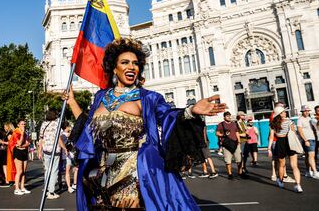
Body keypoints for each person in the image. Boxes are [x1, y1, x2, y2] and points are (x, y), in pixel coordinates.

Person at [63, 38, 226, 210]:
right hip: (101, 174)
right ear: (114, 68)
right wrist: (72, 102)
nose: (131, 67)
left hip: (135, 172)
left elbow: (169, 116)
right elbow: (88, 127)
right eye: (125, 62)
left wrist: (190, 110)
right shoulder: (100, 97)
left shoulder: (149, 97)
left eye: (135, 63)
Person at [268, 106, 302, 192]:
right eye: (283, 112)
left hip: (280, 143)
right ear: (280, 114)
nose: (285, 113)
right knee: (294, 165)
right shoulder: (290, 122)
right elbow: (293, 133)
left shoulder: (272, 124)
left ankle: (281, 181)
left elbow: (271, 137)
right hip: (289, 142)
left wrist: (269, 148)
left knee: (281, 165)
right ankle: (298, 185)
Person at [38, 109, 68, 199]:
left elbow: (41, 139)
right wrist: (65, 148)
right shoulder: (56, 124)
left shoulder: (44, 124)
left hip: (46, 150)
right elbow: (58, 138)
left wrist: (39, 151)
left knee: (47, 170)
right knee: (54, 171)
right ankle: (51, 192)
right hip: (55, 151)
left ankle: (47, 189)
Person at [269, 102, 295, 183]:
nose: (284, 111)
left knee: (279, 161)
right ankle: (280, 176)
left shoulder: (281, 119)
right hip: (277, 141)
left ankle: (279, 176)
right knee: (278, 160)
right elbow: (272, 133)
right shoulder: (274, 117)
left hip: (279, 140)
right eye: (282, 107)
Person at [297, 105, 319, 179]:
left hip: (313, 139)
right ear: (302, 111)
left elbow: (314, 129)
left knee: (307, 156)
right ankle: (315, 172)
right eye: (305, 111)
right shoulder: (300, 119)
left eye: (308, 111)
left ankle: (307, 171)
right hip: (307, 139)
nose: (307, 112)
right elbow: (299, 130)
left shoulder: (310, 119)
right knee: (311, 155)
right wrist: (305, 140)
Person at [11, 119, 31, 195]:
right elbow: (18, 143)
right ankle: (16, 188)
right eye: (22, 124)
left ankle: (22, 187)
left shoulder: (26, 133)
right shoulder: (16, 132)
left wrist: (22, 146)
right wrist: (22, 134)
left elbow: (28, 143)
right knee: (19, 171)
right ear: (18, 125)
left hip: (24, 152)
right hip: (18, 152)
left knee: (23, 171)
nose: (24, 125)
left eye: (24, 124)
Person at [61, 121, 78, 193]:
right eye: (69, 126)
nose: (70, 127)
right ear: (66, 127)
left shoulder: (69, 135)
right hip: (67, 155)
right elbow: (63, 144)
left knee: (76, 169)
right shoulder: (62, 136)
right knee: (67, 171)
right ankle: (69, 187)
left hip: (72, 154)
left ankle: (74, 184)